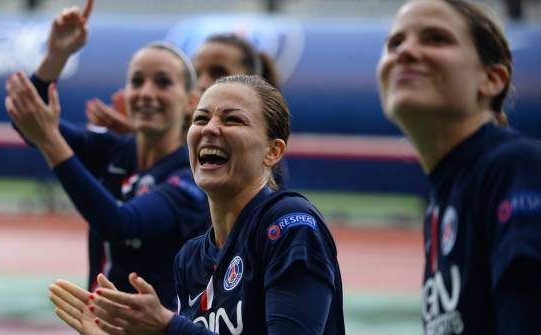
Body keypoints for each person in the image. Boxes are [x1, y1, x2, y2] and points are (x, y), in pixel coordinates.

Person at [49, 75, 345, 335]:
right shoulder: (191, 257)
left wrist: (168, 326)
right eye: (201, 119)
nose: (210, 128)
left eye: (233, 120)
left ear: (273, 151)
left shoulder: (289, 226)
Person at [4, 0, 209, 310]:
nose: (146, 92)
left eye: (163, 82)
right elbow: (28, 122)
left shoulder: (192, 175)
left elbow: (119, 224)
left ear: (190, 102)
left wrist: (49, 140)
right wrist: (56, 56)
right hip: (99, 325)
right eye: (137, 81)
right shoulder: (115, 150)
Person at [377, 0, 541, 333]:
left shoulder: (515, 169)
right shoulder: (443, 203)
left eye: (436, 38)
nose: (406, 52)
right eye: (395, 43)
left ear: (492, 80)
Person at [87, 33, 289, 187]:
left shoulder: (262, 160)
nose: (202, 83)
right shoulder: (168, 138)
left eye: (218, 72)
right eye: (196, 72)